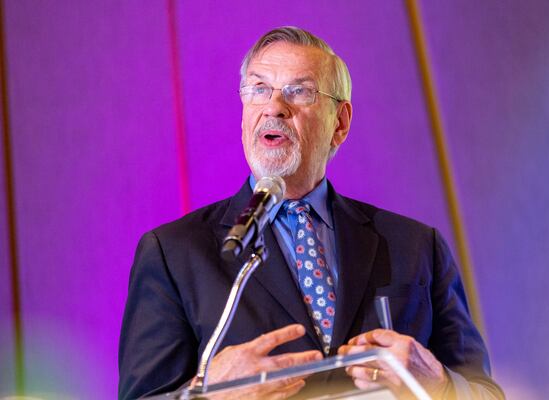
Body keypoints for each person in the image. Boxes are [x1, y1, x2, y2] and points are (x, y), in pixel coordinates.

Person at [118, 27, 504, 400]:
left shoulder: (418, 246)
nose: (274, 107)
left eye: (298, 91)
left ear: (340, 123)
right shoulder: (173, 253)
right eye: (259, 89)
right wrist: (205, 397)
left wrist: (437, 384)